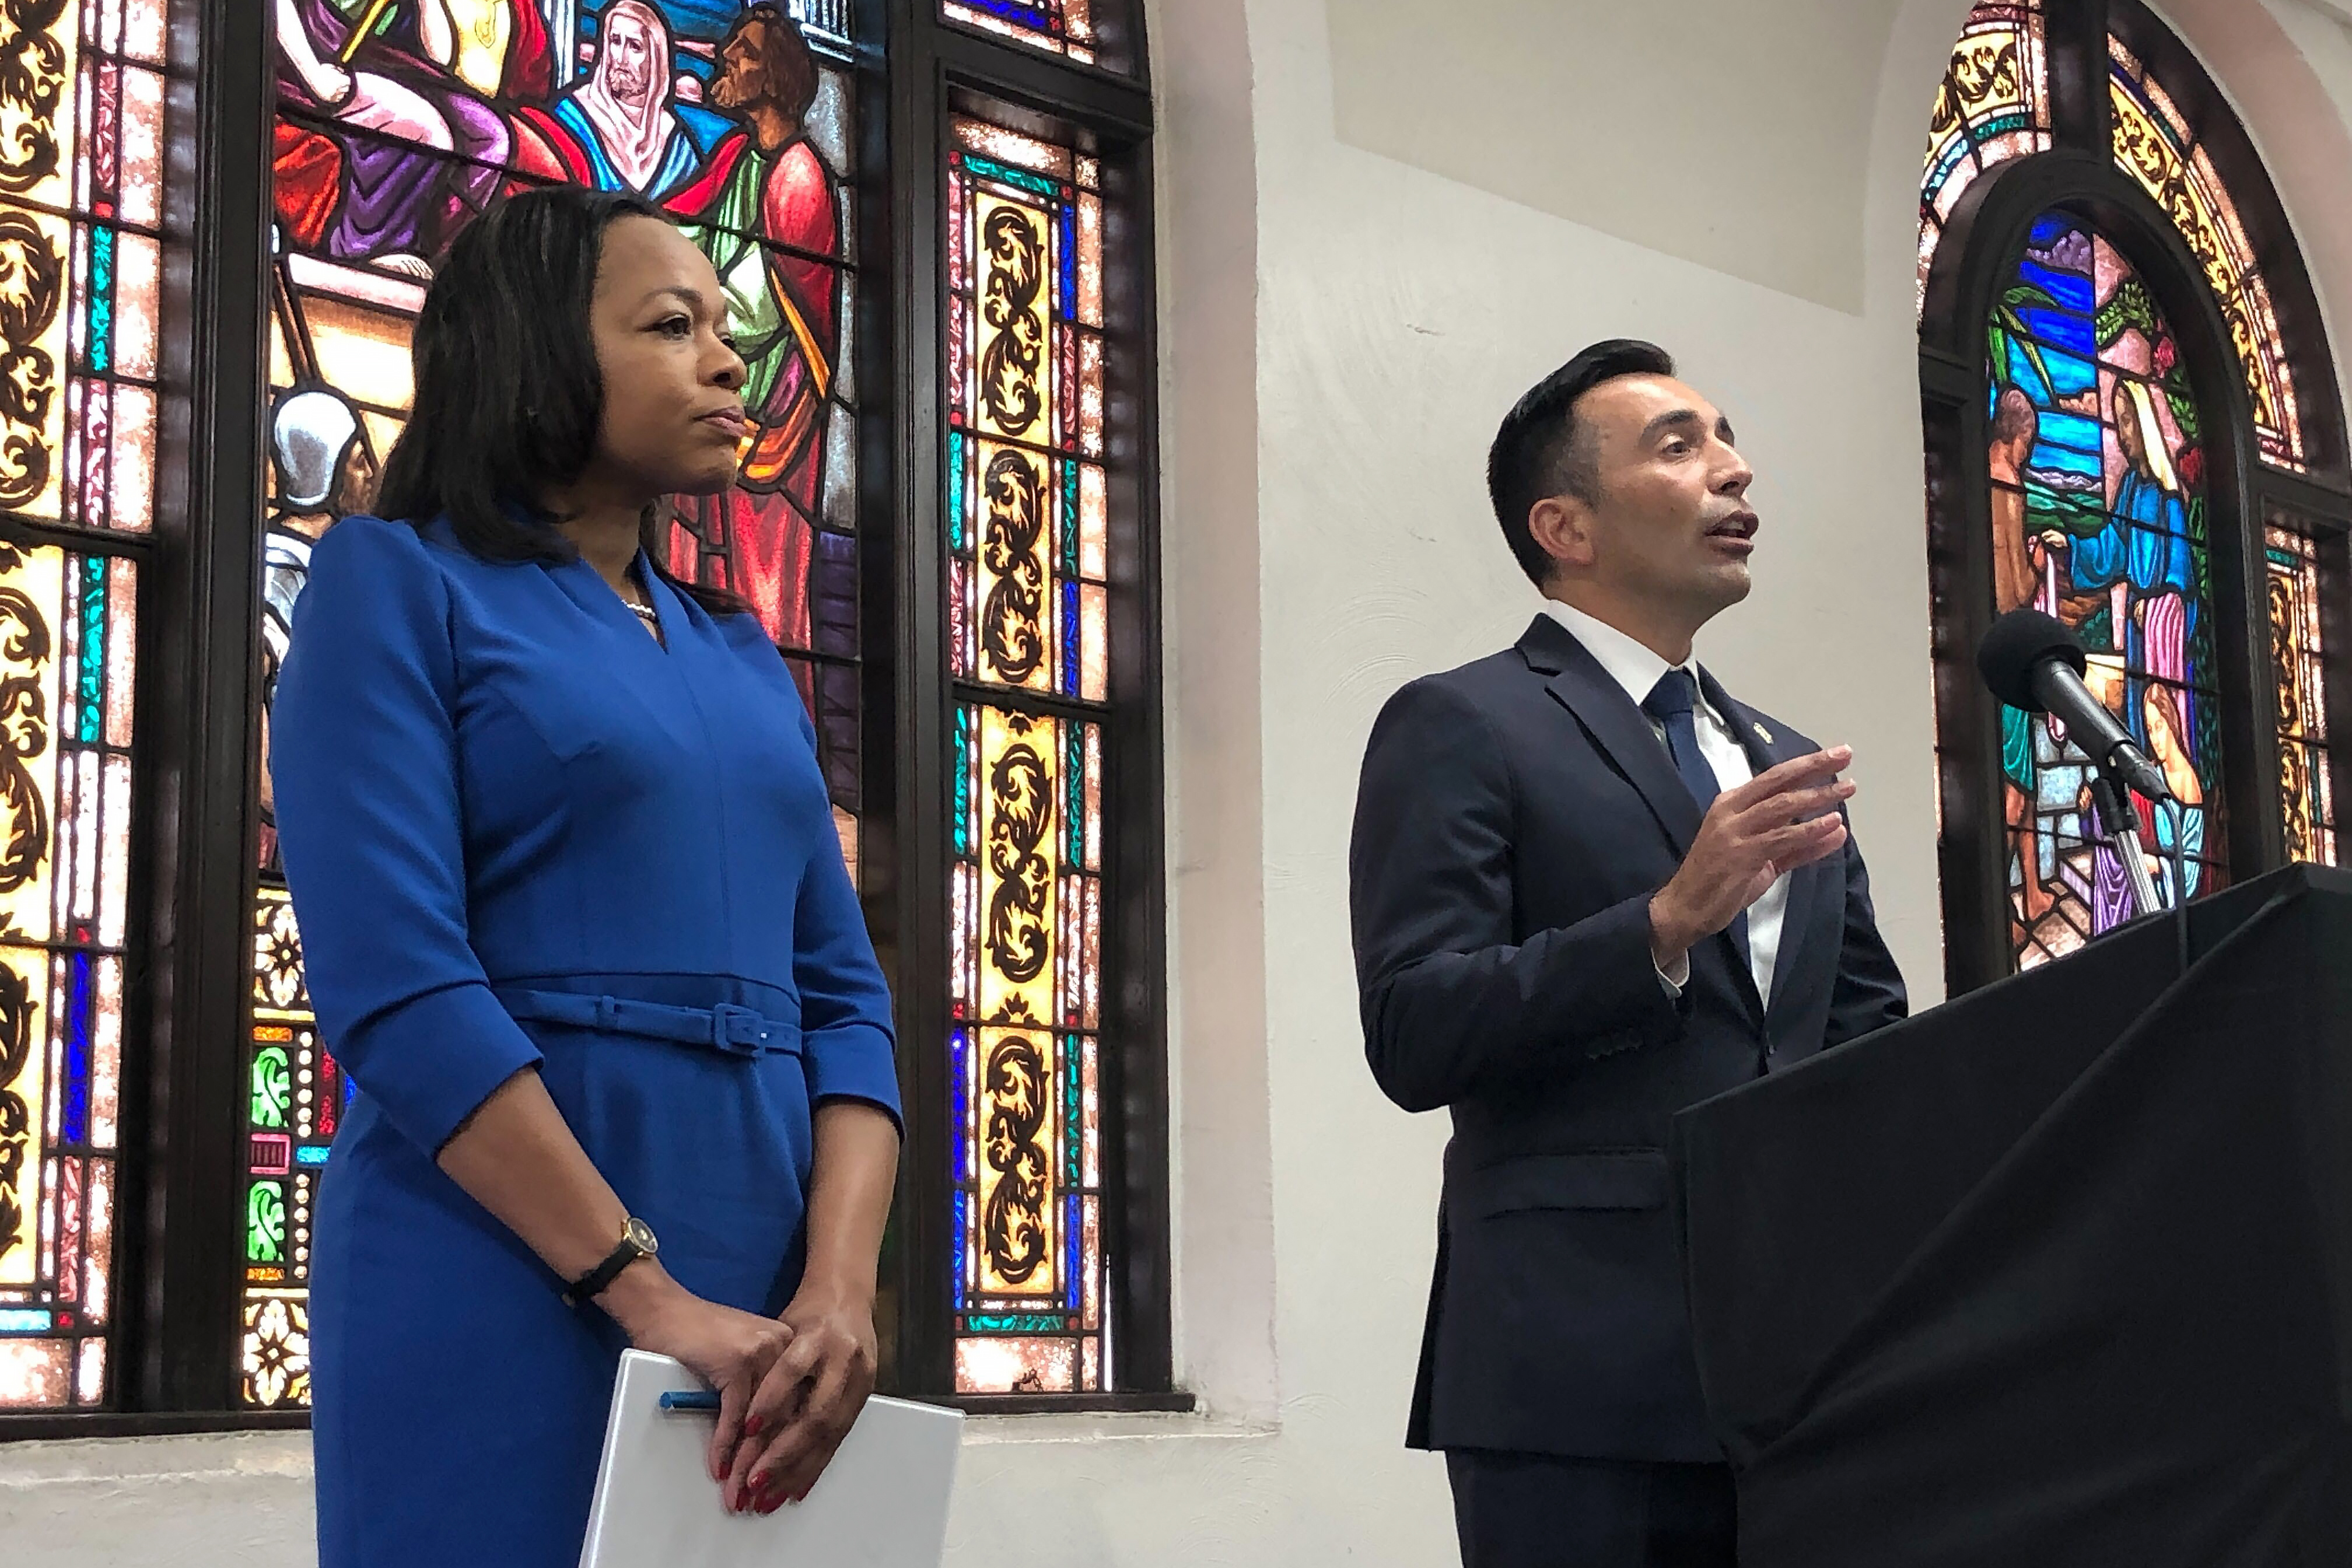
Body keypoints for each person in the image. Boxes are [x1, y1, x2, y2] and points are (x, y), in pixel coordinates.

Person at [271, 187, 902, 1568]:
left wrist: (843, 1292)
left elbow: (848, 1005)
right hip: (498, 1257)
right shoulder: (394, 583)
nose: (733, 362)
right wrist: (646, 1291)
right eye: (673, 325)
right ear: (537, 353)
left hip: (765, 1272)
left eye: (727, 328)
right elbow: (398, 987)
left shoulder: (741, 655)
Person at [1349, 340, 1909, 1568]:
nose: (1735, 469)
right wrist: (1663, 925)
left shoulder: (1783, 760)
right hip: (1576, 1372)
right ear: (1568, 526)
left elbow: (1862, 1037)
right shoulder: (1465, 721)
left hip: (1810, 1366)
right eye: (1680, 445)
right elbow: (1414, 1026)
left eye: (1727, 436)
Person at [663, 2, 844, 651]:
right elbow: (687, 229)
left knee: (759, 590)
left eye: (740, 50)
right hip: (724, 399)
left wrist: (683, 295)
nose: (722, 57)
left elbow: (763, 305)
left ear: (774, 75)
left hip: (772, 428)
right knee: (696, 572)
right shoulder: (741, 158)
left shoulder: (798, 177)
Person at [511, 0, 733, 199]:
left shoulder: (677, 145)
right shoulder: (570, 118)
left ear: (656, 60)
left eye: (635, 46)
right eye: (615, 41)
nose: (621, 57)